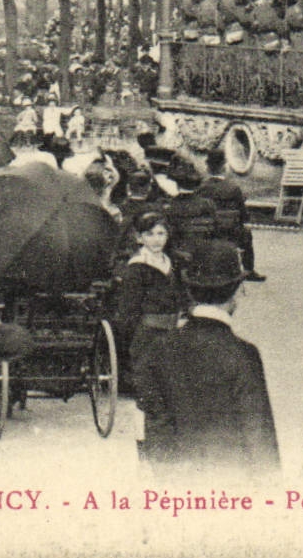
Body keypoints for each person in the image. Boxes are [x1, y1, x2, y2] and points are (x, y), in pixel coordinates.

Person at [135, 239, 279, 478]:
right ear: (236, 291)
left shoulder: (159, 348)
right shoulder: (243, 354)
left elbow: (152, 425)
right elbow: (259, 435)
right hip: (229, 484)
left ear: (190, 290)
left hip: (175, 484)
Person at [115, 211, 188, 394]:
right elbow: (129, 307)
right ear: (139, 238)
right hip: (147, 331)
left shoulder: (171, 262)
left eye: (161, 234)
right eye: (150, 234)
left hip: (172, 326)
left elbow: (180, 294)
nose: (156, 240)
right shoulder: (138, 266)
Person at [197, 147, 262, 281]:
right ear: (224, 167)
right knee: (247, 234)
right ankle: (249, 270)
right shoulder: (233, 188)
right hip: (231, 232)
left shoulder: (201, 188)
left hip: (207, 231)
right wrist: (245, 223)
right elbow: (243, 212)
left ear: (208, 168)